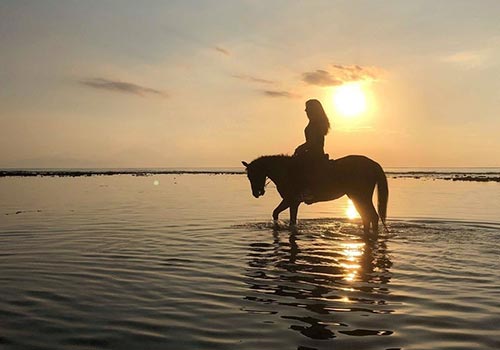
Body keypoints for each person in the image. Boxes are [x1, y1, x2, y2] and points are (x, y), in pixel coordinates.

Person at [293, 99, 331, 204]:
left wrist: (299, 148)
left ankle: (308, 192)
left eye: (308, 108)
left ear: (313, 110)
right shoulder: (315, 123)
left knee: (299, 169)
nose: (305, 110)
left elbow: (313, 143)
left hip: (314, 154)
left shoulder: (316, 124)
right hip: (312, 152)